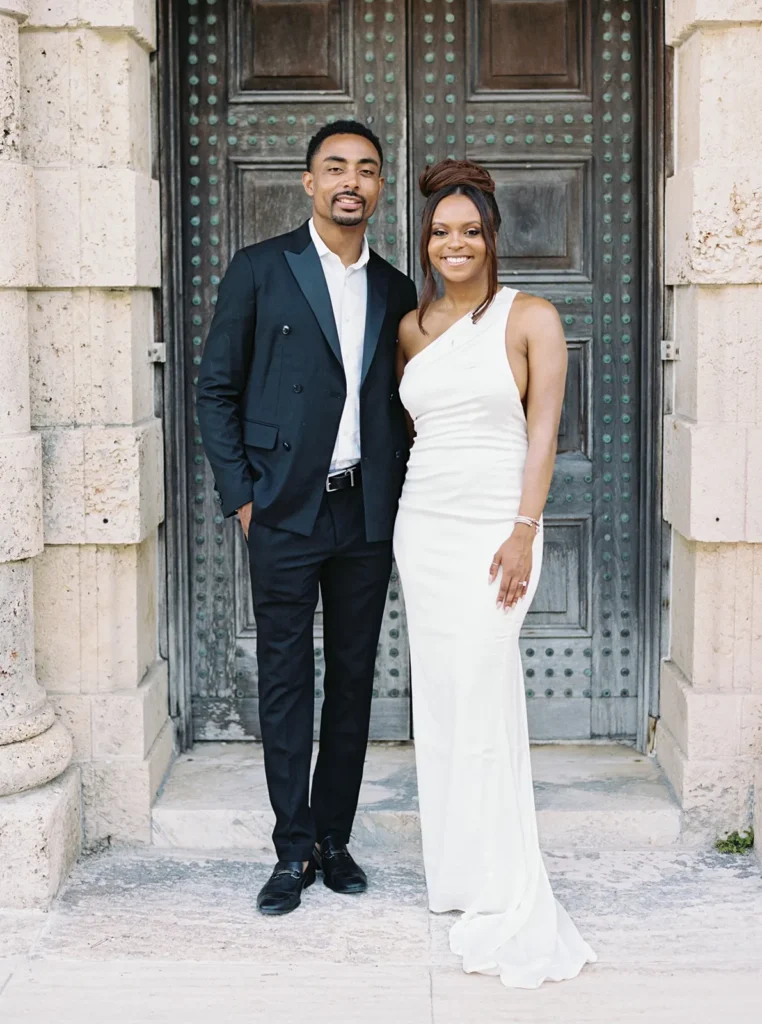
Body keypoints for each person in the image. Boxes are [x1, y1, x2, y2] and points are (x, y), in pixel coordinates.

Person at [196, 121, 417, 916]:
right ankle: (292, 849)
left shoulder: (396, 287)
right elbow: (215, 389)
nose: (350, 181)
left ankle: (334, 838)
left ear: (380, 186)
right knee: (287, 682)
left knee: (353, 680)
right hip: (284, 510)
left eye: (365, 169)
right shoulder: (261, 269)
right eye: (335, 169)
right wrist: (244, 496)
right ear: (308, 182)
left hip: (365, 513)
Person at [393, 160, 597, 987]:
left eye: (469, 230)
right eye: (441, 231)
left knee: (483, 687)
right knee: (441, 697)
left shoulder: (531, 317)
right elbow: (414, 434)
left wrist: (524, 528)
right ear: (427, 240)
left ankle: (506, 883)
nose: (454, 243)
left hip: (496, 528)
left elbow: (543, 434)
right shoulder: (410, 328)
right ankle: (459, 876)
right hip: (424, 525)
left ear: (491, 237)